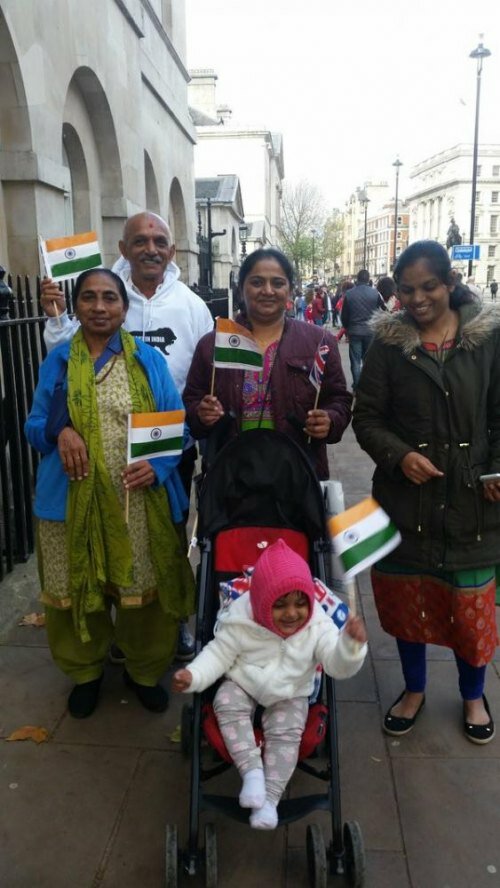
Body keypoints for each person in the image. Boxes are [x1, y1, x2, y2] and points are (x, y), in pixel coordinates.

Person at [40, 212, 214, 661]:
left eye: (159, 240)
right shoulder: (71, 347)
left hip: (159, 465)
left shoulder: (190, 309)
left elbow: (197, 389)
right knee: (91, 569)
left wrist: (162, 461)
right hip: (79, 485)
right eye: (140, 240)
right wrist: (59, 429)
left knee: (157, 557)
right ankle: (97, 655)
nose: (150, 248)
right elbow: (50, 396)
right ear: (124, 248)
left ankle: (160, 641)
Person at [25, 268, 195, 718]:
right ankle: (86, 672)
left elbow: (177, 428)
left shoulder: (148, 362)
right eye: (89, 298)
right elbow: (33, 425)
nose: (99, 307)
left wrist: (155, 466)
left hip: (134, 501)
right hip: (69, 500)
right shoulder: (59, 362)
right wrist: (59, 432)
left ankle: (143, 670)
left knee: (143, 590)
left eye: (109, 299)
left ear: (124, 307)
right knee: (74, 588)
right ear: (76, 306)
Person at [352, 240, 500, 744]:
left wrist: (496, 469)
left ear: (451, 284)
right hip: (405, 501)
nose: (418, 299)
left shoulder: (488, 340)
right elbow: (366, 417)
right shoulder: (387, 347)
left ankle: (473, 695)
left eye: (429, 287)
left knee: (469, 610)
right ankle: (413, 689)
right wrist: (398, 455)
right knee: (408, 604)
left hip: (472, 503)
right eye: (408, 289)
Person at [172, 539, 367, 829]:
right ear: (261, 603)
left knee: (287, 733)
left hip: (291, 690)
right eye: (280, 605)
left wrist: (350, 646)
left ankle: (270, 800)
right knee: (225, 701)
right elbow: (217, 654)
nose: (292, 613)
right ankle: (252, 773)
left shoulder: (318, 624)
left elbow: (335, 665)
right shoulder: (241, 620)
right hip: (244, 681)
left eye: (301, 604)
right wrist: (194, 676)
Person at [183, 248, 353, 481]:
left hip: (297, 476)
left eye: (278, 283)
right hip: (231, 478)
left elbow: (339, 399)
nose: (268, 291)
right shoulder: (213, 344)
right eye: (257, 282)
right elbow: (191, 402)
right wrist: (200, 414)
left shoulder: (319, 343)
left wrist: (330, 420)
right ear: (241, 289)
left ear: (290, 291)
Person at [340, 269, 384, 389]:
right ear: (368, 279)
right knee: (368, 360)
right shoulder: (375, 293)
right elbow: (383, 310)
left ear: (357, 279)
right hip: (370, 330)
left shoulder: (349, 294)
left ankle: (357, 386)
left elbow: (344, 315)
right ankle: (367, 385)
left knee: (355, 361)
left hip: (354, 331)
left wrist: (347, 328)